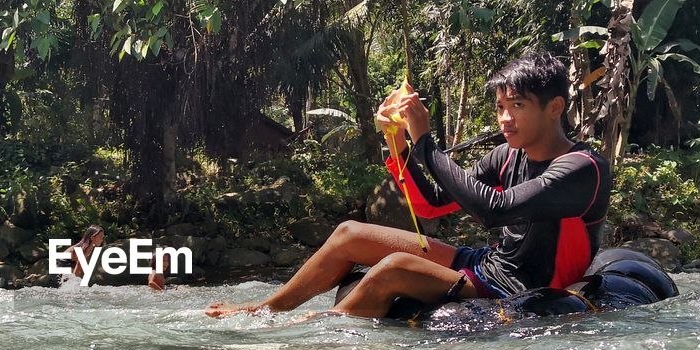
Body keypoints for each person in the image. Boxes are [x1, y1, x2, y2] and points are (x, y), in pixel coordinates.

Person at [205, 51, 611, 319]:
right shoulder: (507, 155)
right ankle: (263, 310)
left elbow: (493, 210)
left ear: (554, 107)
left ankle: (316, 331)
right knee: (349, 233)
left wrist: (424, 141)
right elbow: (432, 205)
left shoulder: (581, 168)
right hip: (486, 265)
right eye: (501, 107)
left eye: (517, 107)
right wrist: (398, 143)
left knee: (394, 267)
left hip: (522, 287)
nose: (505, 119)